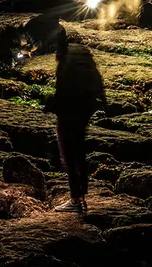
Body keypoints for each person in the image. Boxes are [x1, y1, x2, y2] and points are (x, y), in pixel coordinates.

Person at [44, 27, 107, 213]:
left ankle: (75, 200)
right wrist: (102, 100)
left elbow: (64, 92)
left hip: (70, 112)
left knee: (69, 155)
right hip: (85, 109)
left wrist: (50, 105)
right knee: (79, 153)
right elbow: (96, 78)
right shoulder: (78, 53)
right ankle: (81, 196)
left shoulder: (65, 61)